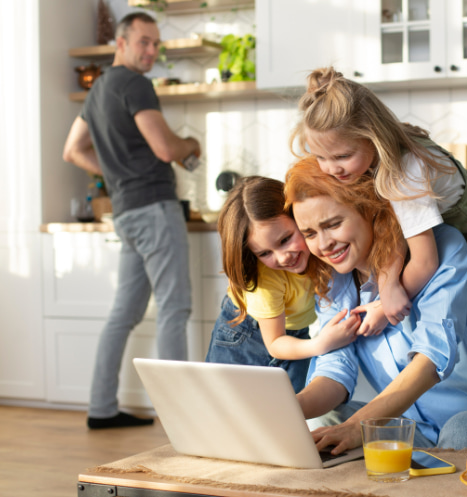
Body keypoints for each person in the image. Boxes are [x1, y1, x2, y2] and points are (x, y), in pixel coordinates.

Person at [290, 66, 467, 426]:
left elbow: (426, 259)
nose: (331, 169)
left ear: (372, 137)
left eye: (341, 157)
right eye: (321, 158)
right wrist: (388, 278)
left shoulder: (404, 171)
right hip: (434, 234)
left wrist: (385, 305)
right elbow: (396, 232)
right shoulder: (377, 169)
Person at [286, 156, 467, 454]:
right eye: (310, 233)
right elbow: (335, 371)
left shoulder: (442, 248)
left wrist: (358, 427)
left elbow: (433, 357)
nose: (323, 244)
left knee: (461, 429)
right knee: (326, 419)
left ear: (368, 210)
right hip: (418, 428)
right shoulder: (332, 283)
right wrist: (285, 410)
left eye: (334, 224)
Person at [62, 12, 200, 429]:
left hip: (125, 211)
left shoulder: (100, 88)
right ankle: (180, 418)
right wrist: (191, 143)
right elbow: (164, 148)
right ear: (121, 43)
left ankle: (101, 407)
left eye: (156, 44)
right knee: (175, 308)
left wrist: (116, 175)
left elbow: (73, 150)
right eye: (144, 42)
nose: (151, 51)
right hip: (155, 207)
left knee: (123, 314)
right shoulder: (135, 84)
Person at [205, 175, 361, 389]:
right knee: (232, 409)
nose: (282, 258)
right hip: (245, 335)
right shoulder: (266, 279)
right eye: (265, 253)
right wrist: (320, 344)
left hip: (294, 332)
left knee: (289, 409)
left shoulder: (319, 245)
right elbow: (275, 343)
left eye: (285, 239)